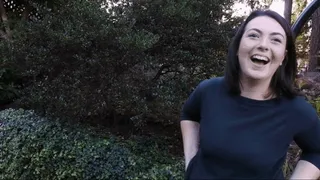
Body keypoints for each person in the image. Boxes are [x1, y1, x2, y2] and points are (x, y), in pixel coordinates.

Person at [180, 9, 320, 179]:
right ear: (238, 46)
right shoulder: (209, 90)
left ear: (284, 56)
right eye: (254, 35)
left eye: (276, 40)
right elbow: (189, 114)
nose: (263, 45)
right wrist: (191, 161)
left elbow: (317, 151)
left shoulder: (296, 110)